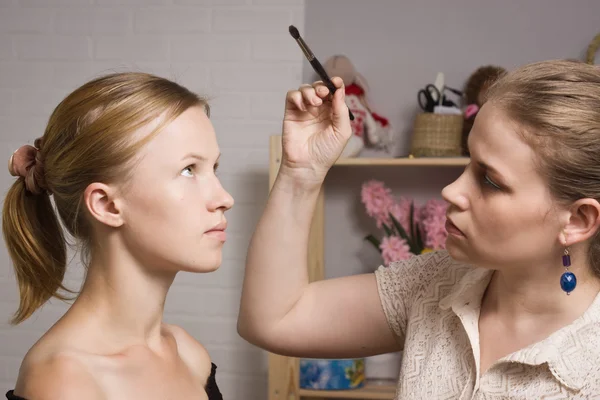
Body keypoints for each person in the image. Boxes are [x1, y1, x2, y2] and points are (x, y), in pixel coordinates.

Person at [237, 59, 600, 398]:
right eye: (468, 163)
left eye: (489, 180)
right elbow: (273, 320)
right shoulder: (438, 282)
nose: (452, 191)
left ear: (578, 220)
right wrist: (301, 173)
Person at [3, 72, 233, 400]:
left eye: (214, 168)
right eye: (188, 170)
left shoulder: (188, 355)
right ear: (107, 204)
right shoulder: (65, 382)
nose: (224, 198)